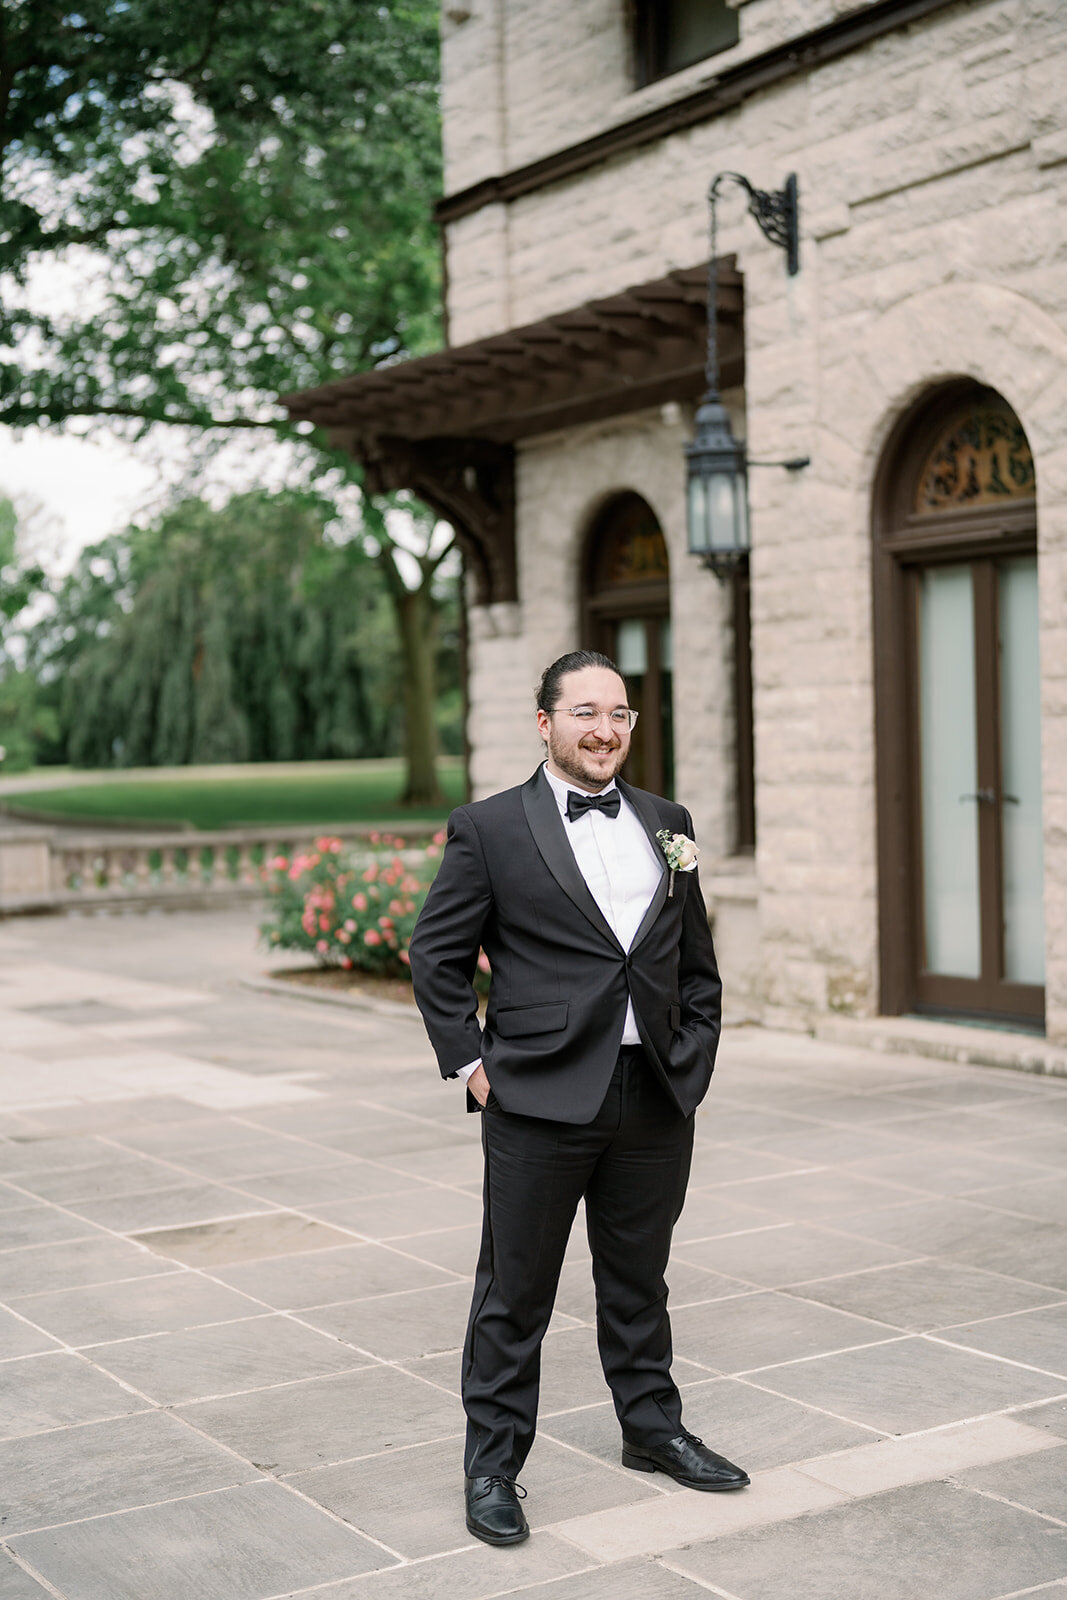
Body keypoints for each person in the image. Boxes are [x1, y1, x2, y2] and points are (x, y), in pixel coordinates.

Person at [408, 649, 749, 1547]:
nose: (604, 730)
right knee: (514, 1293)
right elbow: (436, 956)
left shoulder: (667, 821)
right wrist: (471, 1066)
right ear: (545, 723)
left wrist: (696, 1052)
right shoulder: (488, 828)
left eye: (619, 714)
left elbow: (695, 958)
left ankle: (653, 1429)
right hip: (538, 1097)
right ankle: (492, 1467)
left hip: (654, 1093)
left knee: (639, 1280)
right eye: (585, 713)